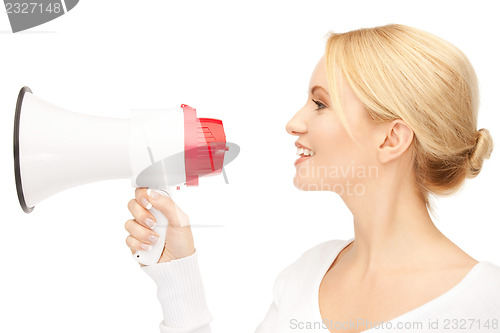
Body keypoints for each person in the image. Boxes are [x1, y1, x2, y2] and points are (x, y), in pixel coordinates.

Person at [124, 24, 500, 333]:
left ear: (392, 138)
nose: (293, 123)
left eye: (320, 104)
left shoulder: (487, 304)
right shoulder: (306, 275)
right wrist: (178, 274)